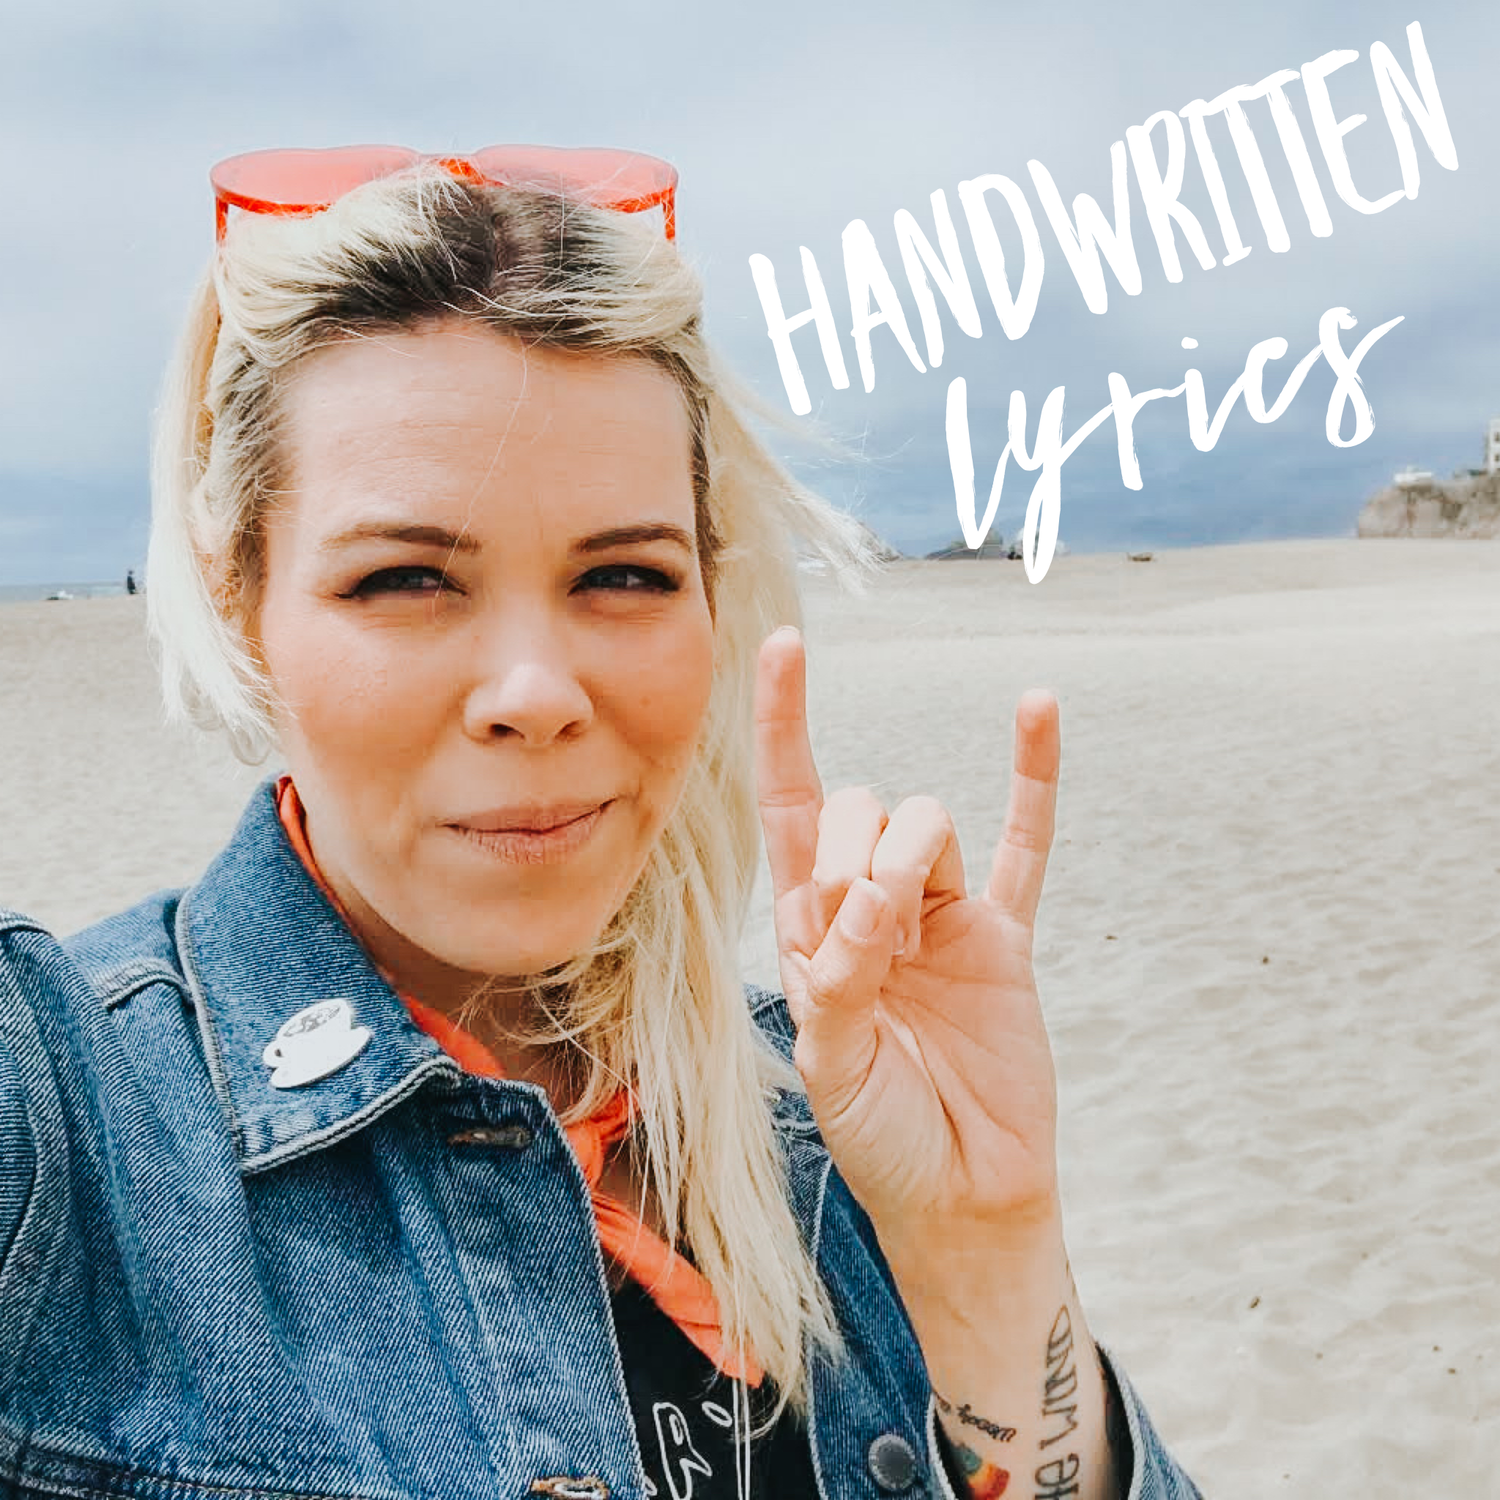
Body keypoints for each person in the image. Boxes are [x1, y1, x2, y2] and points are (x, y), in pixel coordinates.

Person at [0, 146, 1201, 1500]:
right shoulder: (67, 1119)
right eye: (405, 579)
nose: (537, 693)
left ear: (714, 598)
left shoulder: (828, 1104)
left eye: (624, 574)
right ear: (241, 599)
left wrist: (987, 1257)